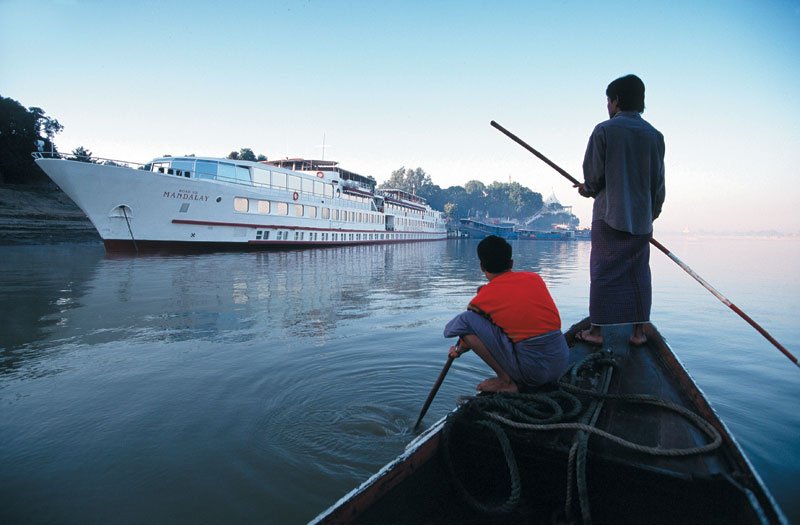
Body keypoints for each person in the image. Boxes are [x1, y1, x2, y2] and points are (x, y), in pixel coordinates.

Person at [575, 74, 666, 346]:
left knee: (603, 272)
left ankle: (597, 332)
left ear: (616, 101)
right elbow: (658, 184)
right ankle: (638, 333)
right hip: (641, 219)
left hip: (609, 217)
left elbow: (593, 178)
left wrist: (585, 189)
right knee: (639, 274)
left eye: (608, 100)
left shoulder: (604, 130)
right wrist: (651, 215)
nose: (607, 106)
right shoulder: (655, 136)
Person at [443, 235, 569, 393]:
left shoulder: (482, 299)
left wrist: (458, 350)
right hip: (561, 362)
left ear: (482, 266)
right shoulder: (534, 278)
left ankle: (505, 381)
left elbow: (452, 330)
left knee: (466, 320)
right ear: (511, 263)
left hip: (533, 374)